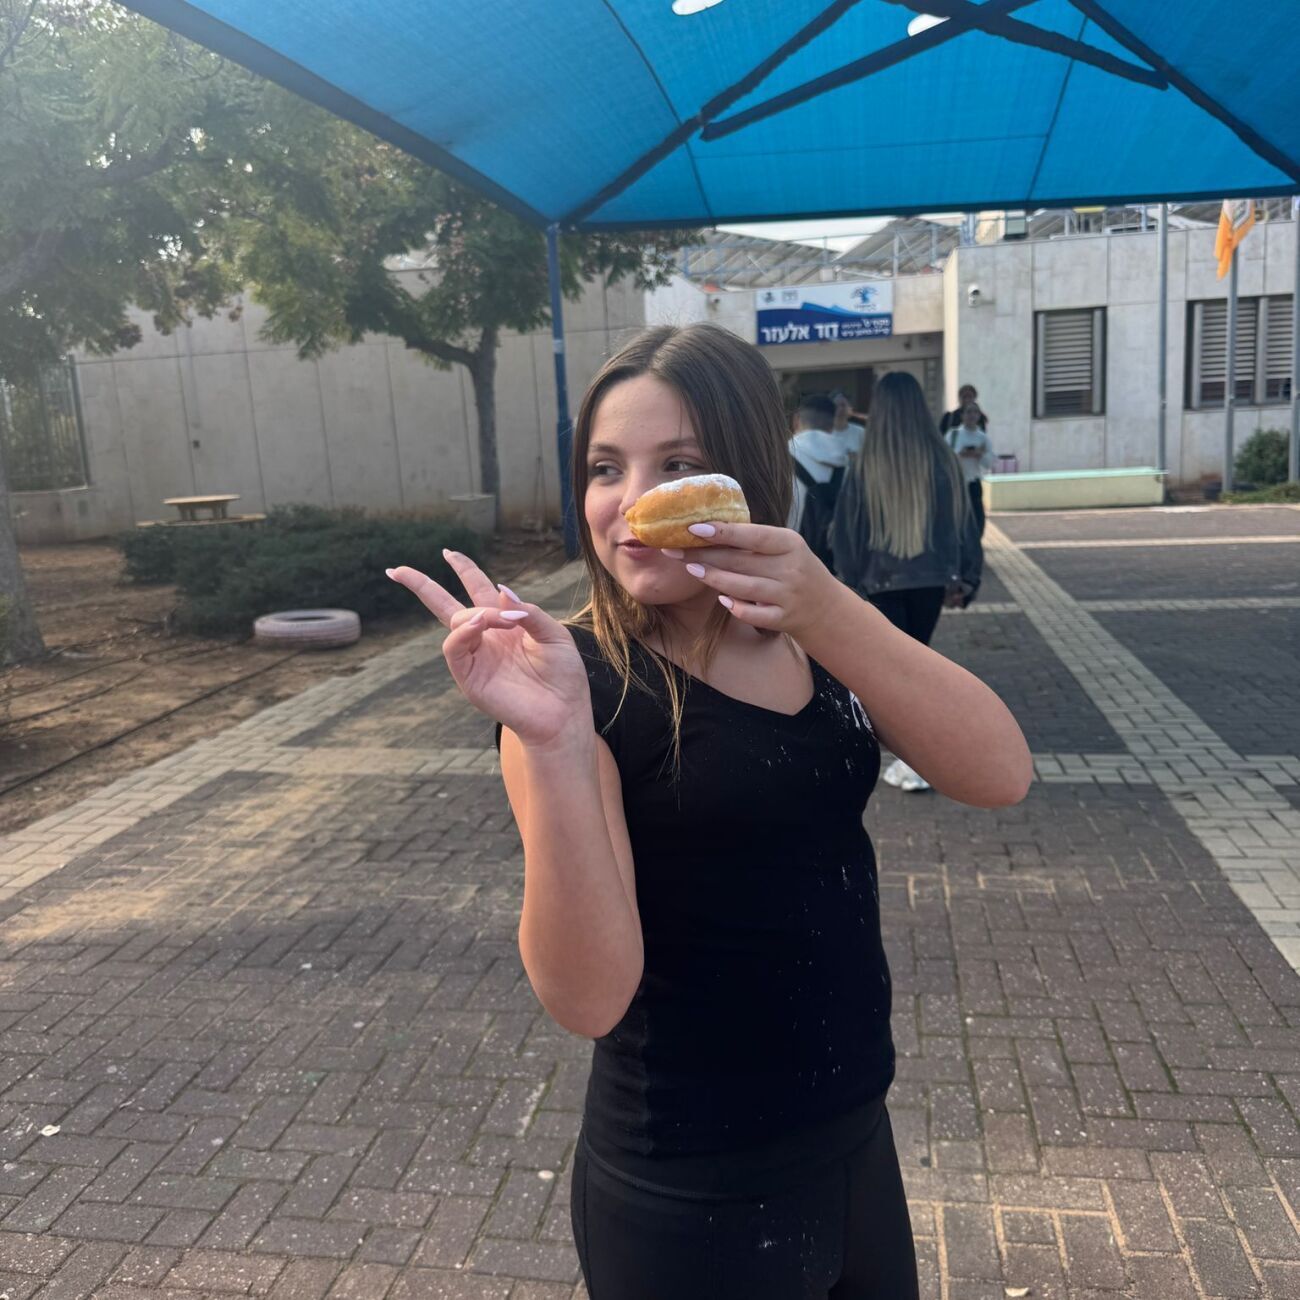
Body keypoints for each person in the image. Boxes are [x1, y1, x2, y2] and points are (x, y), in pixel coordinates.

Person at [387, 322, 1031, 1300]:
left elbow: (998, 773)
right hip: (690, 1189)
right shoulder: (573, 686)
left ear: (745, 479)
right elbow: (588, 1000)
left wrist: (823, 605)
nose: (632, 501)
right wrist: (555, 745)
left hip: (855, 1133)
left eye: (678, 465)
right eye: (605, 468)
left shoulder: (808, 632)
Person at [831, 371, 983, 793]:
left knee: (893, 676)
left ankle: (912, 756)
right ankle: (915, 757)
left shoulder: (865, 465)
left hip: (878, 584)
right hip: (930, 582)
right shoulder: (943, 461)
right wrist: (966, 579)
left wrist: (851, 585)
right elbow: (964, 525)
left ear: (879, 410)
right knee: (915, 666)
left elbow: (845, 534)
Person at [788, 391, 847, 567]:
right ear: (832, 424)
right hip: (834, 568)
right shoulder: (849, 464)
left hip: (788, 561)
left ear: (796, 420)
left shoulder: (779, 458)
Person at [946, 402, 994, 537]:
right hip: (957, 483)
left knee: (977, 517)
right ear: (962, 415)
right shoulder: (953, 435)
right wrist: (960, 454)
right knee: (957, 515)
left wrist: (980, 455)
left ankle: (976, 541)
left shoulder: (983, 437)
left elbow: (988, 464)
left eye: (975, 412)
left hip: (974, 482)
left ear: (979, 415)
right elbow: (945, 457)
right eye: (968, 412)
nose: (971, 415)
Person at [831, 388, 866, 455]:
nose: (840, 409)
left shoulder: (860, 432)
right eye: (836, 406)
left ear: (850, 408)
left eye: (843, 405)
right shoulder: (822, 433)